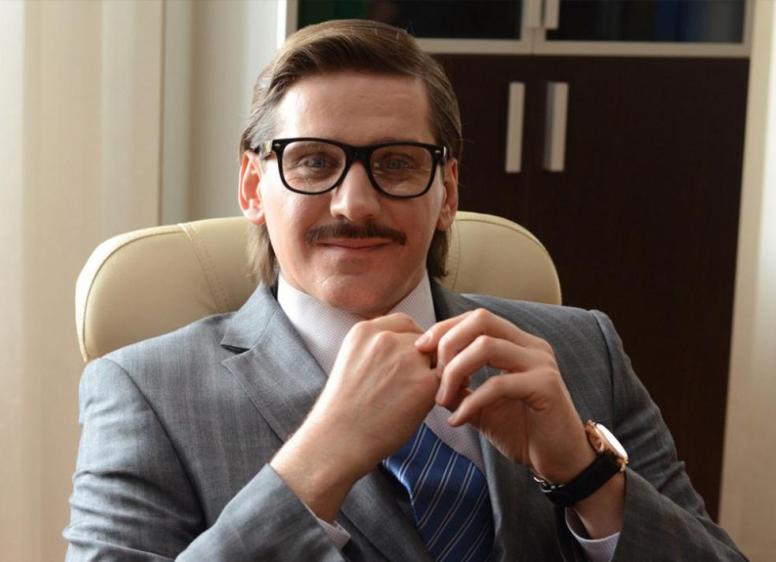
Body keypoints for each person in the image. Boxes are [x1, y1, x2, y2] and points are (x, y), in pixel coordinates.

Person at [64, 19, 745, 562]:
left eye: (395, 163)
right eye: (314, 161)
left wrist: (584, 475)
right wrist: (317, 461)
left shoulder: (584, 350)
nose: (354, 204)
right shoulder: (144, 392)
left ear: (447, 192)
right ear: (252, 188)